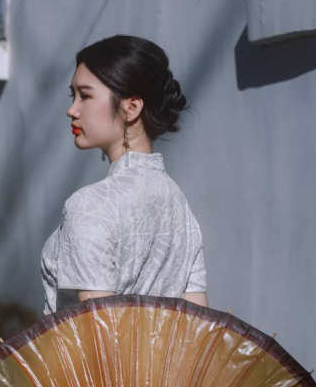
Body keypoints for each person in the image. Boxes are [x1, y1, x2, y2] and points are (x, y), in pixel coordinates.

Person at [40, 35, 208, 315]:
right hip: (165, 347)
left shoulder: (89, 205)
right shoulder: (179, 206)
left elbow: (100, 330)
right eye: (73, 96)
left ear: (131, 107)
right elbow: (198, 323)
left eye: (85, 95)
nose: (72, 110)